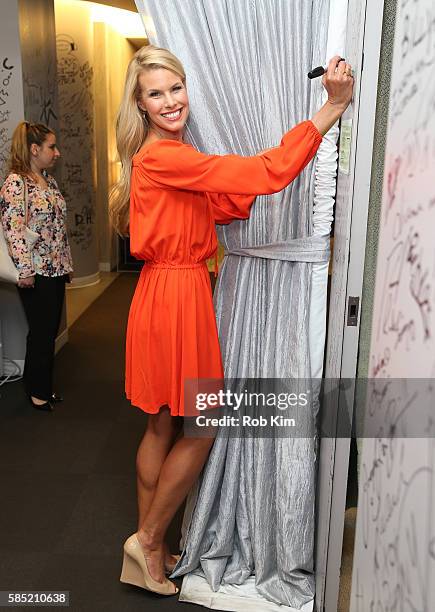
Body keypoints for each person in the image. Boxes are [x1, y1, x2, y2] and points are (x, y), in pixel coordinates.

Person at [110, 45, 353, 596]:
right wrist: (328, 112)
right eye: (156, 93)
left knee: (160, 421)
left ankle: (151, 542)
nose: (170, 101)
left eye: (175, 88)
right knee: (204, 422)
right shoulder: (166, 155)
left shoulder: (162, 157)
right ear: (141, 104)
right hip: (178, 295)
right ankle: (147, 539)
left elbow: (222, 203)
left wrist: (234, 192)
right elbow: (264, 173)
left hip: (159, 292)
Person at [0, 122, 73, 412]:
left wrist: (67, 263)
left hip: (55, 269)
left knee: (48, 330)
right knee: (41, 331)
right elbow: (13, 230)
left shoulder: (48, 181)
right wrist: (25, 270)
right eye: (51, 147)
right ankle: (37, 391)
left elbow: (58, 227)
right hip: (36, 271)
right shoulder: (16, 183)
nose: (56, 153)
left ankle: (40, 385)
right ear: (34, 149)